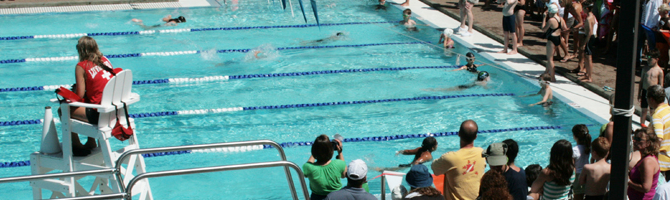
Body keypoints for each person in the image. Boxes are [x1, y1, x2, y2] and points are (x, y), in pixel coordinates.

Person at [62, 36, 122, 157]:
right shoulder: (105, 60)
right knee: (90, 101)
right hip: (114, 112)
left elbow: (79, 95)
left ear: (80, 50)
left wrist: (69, 94)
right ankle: (91, 142)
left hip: (100, 116)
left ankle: (77, 145)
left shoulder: (81, 66)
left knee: (63, 109)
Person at [431, 120, 486, 200]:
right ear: (475, 136)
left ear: (459, 133)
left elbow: (434, 168)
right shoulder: (482, 153)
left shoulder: (450, 158)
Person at [303, 134, 346, 200]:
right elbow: (344, 175)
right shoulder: (339, 164)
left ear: (313, 150)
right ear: (331, 151)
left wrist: (317, 150)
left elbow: (308, 166)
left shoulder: (308, 167)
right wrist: (340, 152)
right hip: (337, 197)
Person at [628, 127, 661, 200]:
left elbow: (645, 188)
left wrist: (628, 181)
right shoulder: (645, 158)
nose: (634, 140)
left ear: (648, 143)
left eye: (638, 139)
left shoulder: (648, 161)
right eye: (634, 138)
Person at [648, 84, 670, 181]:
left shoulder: (657, 115)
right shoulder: (668, 109)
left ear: (651, 99)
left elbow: (658, 138)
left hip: (662, 163)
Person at [541, 4, 568, 82]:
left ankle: (553, 77)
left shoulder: (551, 20)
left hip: (551, 39)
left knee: (550, 59)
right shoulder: (561, 19)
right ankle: (546, 72)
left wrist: (544, 18)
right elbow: (565, 29)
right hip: (558, 38)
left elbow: (543, 29)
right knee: (550, 57)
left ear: (550, 12)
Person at [640, 50, 664, 126]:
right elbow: (641, 82)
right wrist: (639, 93)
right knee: (644, 110)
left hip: (653, 93)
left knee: (652, 111)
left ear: (657, 59)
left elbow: (661, 85)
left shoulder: (659, 71)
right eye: (647, 58)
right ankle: (642, 124)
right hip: (644, 91)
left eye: (651, 58)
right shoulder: (645, 69)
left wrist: (660, 96)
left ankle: (652, 125)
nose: (648, 60)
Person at [575, 1, 597, 83]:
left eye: (583, 8)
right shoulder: (591, 16)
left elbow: (590, 32)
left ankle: (589, 77)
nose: (582, 10)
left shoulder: (588, 18)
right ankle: (587, 75)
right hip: (589, 37)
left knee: (588, 58)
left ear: (587, 9)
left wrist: (584, 43)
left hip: (589, 38)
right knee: (586, 57)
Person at [571, 124, 592, 200]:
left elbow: (572, 166)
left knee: (577, 197)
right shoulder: (588, 147)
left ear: (575, 136)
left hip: (578, 176)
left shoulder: (574, 150)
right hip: (587, 174)